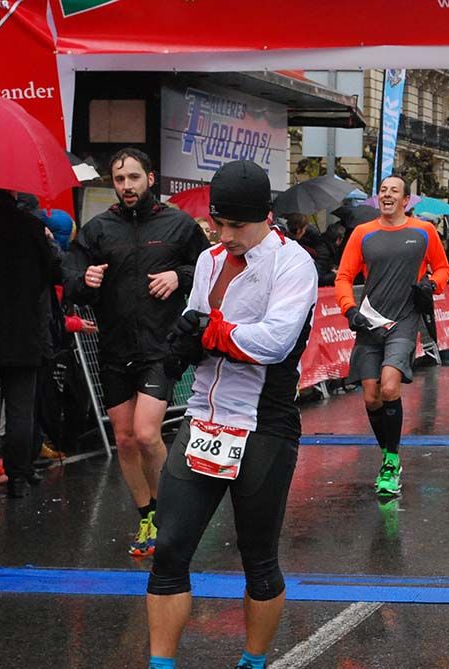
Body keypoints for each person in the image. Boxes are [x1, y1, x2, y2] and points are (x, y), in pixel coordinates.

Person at [146, 159, 317, 669]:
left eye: (236, 225)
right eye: (218, 223)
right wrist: (183, 340)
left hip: (263, 424)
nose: (225, 235)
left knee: (258, 559)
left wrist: (211, 332)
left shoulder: (293, 263)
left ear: (265, 216)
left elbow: (274, 341)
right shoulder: (209, 260)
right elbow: (194, 321)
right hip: (204, 417)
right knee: (169, 550)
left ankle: (253, 662)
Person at [64, 148, 209, 554]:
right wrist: (84, 279)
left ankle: (171, 517)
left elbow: (208, 269)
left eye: (133, 177)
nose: (127, 186)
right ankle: (147, 515)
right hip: (114, 347)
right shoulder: (98, 229)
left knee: (146, 433)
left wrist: (178, 276)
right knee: (125, 440)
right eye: (119, 179)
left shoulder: (178, 224)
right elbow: (70, 276)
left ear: (150, 178)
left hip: (160, 346)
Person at [335, 174, 449, 495]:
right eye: (383, 190)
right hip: (370, 321)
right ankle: (389, 455)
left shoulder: (423, 231)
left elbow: (443, 268)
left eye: (394, 191)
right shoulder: (363, 233)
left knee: (389, 386)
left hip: (404, 320)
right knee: (371, 396)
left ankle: (390, 461)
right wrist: (349, 309)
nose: (387, 195)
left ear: (405, 200)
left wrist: (432, 284)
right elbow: (343, 276)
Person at [0, 189, 54, 498]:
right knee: (21, 411)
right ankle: (18, 476)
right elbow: (51, 272)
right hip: (23, 334)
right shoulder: (32, 227)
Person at [285, 213, 336, 286]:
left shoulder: (282, 242)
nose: (304, 231)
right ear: (299, 230)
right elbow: (316, 276)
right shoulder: (301, 249)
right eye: (304, 229)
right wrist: (334, 275)